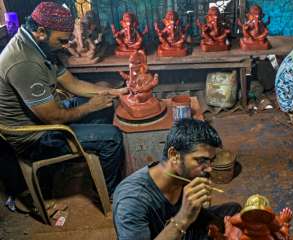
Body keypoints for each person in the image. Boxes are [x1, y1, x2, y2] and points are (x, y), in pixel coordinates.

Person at [0, 2, 126, 200]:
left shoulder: (39, 46)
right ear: (41, 31)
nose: (67, 46)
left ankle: (92, 155)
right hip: (34, 138)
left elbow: (73, 83)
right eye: (62, 41)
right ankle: (111, 193)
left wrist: (113, 91)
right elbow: (52, 118)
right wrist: (90, 106)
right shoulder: (24, 62)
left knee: (104, 105)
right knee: (113, 138)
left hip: (46, 115)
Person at [112, 119, 241, 240]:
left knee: (234, 212)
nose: (209, 169)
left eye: (210, 160)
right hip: (173, 231)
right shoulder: (132, 201)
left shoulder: (185, 173)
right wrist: (184, 217)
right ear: (174, 155)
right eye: (201, 160)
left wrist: (215, 227)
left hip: (187, 229)